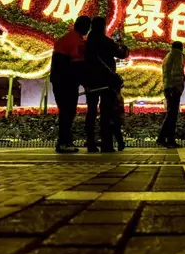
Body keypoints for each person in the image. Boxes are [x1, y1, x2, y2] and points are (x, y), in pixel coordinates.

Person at [84, 17, 129, 153]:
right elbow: (122, 54)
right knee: (106, 112)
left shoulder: (87, 42)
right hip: (106, 81)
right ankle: (106, 143)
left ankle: (90, 143)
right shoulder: (106, 41)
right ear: (103, 27)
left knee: (91, 112)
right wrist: (123, 46)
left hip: (90, 81)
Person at [51, 16, 90, 153]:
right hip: (67, 82)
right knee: (68, 112)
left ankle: (65, 141)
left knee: (65, 111)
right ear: (86, 28)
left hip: (58, 80)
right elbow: (77, 65)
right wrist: (86, 83)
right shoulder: (77, 41)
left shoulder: (66, 38)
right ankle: (63, 142)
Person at [158, 41, 185, 148]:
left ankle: (164, 138)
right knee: (172, 115)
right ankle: (168, 139)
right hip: (174, 87)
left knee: (170, 114)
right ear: (181, 47)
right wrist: (178, 87)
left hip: (167, 87)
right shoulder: (178, 54)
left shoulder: (167, 56)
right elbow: (177, 71)